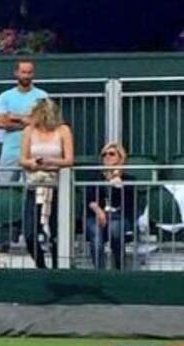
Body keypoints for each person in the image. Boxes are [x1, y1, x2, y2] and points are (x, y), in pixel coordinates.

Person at [19, 98, 74, 269]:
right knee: (30, 233)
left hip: (57, 187)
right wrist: (33, 164)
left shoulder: (63, 130)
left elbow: (69, 159)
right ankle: (41, 265)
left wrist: (51, 162)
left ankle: (58, 267)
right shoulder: (29, 131)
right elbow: (22, 159)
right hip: (34, 185)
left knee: (56, 233)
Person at [0, 60, 49, 183]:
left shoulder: (42, 96)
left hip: (35, 149)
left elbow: (43, 122)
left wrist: (15, 117)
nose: (26, 76)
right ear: (16, 73)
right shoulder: (5, 96)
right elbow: (0, 123)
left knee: (31, 188)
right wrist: (29, 121)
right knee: (5, 187)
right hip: (10, 150)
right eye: (23, 72)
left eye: (29, 72)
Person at [85, 142, 135, 270]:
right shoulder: (95, 176)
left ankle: (119, 269)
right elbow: (89, 200)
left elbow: (128, 205)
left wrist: (118, 186)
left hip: (119, 216)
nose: (107, 157)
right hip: (96, 215)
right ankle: (99, 272)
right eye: (104, 154)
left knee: (115, 229)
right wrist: (99, 211)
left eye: (112, 154)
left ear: (120, 158)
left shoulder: (128, 179)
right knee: (96, 235)